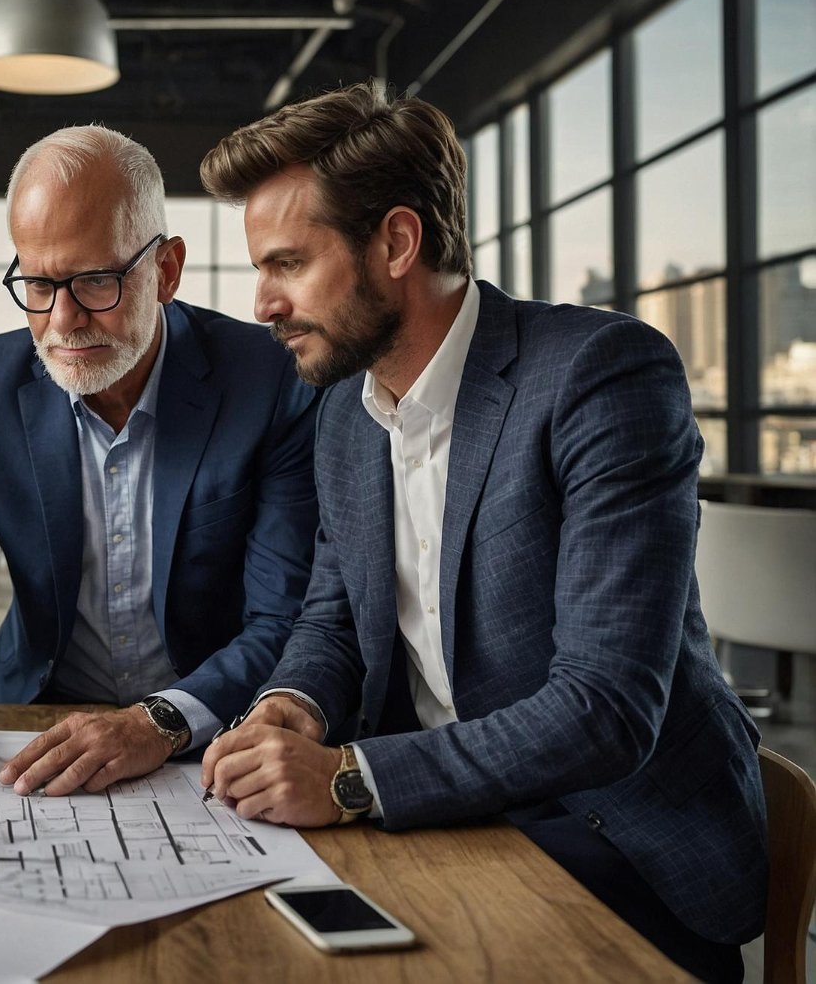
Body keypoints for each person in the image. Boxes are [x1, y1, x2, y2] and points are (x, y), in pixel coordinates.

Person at [196, 83, 766, 983]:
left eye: (287, 265)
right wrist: (289, 709)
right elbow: (332, 620)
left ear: (394, 241)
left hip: (616, 847)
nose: (263, 302)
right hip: (443, 832)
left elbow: (605, 708)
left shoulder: (601, 376)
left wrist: (348, 777)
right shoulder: (345, 413)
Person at [0, 125, 319, 795]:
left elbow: (285, 618)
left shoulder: (270, 381)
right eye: (38, 284)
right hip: (31, 716)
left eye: (96, 281)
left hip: (211, 730)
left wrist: (158, 722)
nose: (62, 320)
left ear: (165, 270)